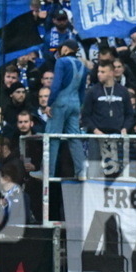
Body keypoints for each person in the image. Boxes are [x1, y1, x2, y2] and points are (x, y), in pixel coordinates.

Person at [44, 39, 89, 179]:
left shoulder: (61, 62)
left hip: (61, 102)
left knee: (53, 137)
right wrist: (79, 106)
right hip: (75, 103)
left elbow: (56, 84)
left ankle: (47, 171)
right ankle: (81, 171)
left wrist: (49, 103)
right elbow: (82, 90)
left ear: (66, 48)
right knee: (75, 137)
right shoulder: (83, 66)